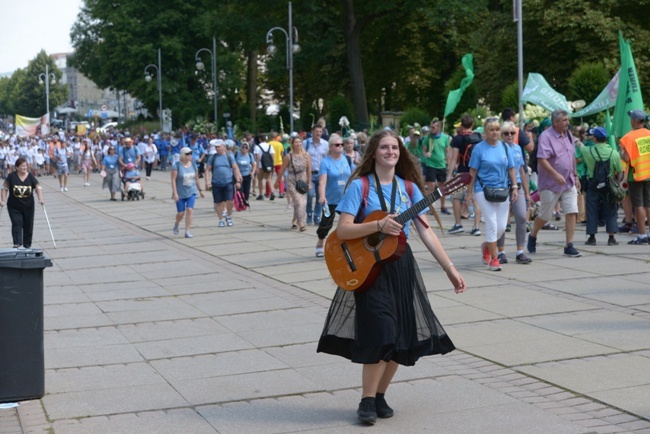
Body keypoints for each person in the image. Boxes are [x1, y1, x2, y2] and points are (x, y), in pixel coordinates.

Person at [317, 129, 466, 425]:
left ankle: (380, 395)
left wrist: (450, 268)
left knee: (401, 337)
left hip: (400, 265)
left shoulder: (409, 189)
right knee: (381, 333)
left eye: (395, 148)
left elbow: (425, 231)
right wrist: (378, 227)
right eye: (384, 147)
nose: (390, 152)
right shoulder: (359, 187)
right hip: (369, 269)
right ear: (374, 153)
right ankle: (366, 400)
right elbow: (343, 231)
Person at [465, 117, 519, 271]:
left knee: (502, 226)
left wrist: (514, 187)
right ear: (485, 132)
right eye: (491, 130)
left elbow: (511, 169)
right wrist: (469, 192)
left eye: (497, 130)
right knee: (492, 223)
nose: (495, 132)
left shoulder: (505, 147)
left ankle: (487, 246)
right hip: (482, 189)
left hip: (502, 190)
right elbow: (473, 171)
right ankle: (494, 260)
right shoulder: (479, 149)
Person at [527, 109, 582, 257]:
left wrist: (575, 176)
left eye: (567, 120)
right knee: (545, 215)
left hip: (568, 181)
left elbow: (572, 156)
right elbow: (542, 160)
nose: (567, 123)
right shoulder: (546, 136)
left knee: (572, 212)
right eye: (564, 120)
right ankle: (533, 234)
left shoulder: (568, 135)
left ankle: (569, 245)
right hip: (550, 183)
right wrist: (555, 174)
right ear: (555, 122)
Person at [495, 121, 532, 264]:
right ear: (501, 135)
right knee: (503, 222)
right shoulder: (498, 148)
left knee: (522, 217)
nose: (510, 136)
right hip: (503, 187)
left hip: (517, 187)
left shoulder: (517, 148)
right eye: (506, 133)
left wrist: (527, 192)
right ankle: (501, 252)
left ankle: (520, 251)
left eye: (512, 133)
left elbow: (522, 171)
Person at [581, 127, 622, 246]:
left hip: (593, 184)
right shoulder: (613, 153)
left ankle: (592, 238)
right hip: (608, 186)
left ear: (594, 138)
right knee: (611, 210)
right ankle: (611, 238)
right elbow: (619, 171)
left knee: (592, 210)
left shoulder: (588, 151)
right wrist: (616, 184)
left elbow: (580, 147)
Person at [314, 134, 352, 257]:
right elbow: (322, 181)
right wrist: (322, 196)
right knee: (326, 223)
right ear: (331, 147)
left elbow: (351, 178)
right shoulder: (326, 162)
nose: (340, 147)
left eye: (342, 144)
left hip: (345, 198)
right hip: (330, 198)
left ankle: (348, 247)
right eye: (337, 145)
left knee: (350, 223)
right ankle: (320, 243)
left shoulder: (346, 159)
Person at [446, 114, 483, 235]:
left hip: (462, 172)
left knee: (456, 198)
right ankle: (476, 227)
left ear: (461, 125)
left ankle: (458, 224)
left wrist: (449, 175)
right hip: (477, 172)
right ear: (472, 125)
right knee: (476, 198)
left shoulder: (457, 139)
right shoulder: (478, 138)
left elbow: (453, 158)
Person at [619, 109, 650, 244]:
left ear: (634, 121)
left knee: (639, 206)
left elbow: (625, 158)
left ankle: (642, 236)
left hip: (636, 175)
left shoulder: (627, 138)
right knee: (649, 205)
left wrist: (621, 153)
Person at [0, 158, 45, 248]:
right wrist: (3, 200)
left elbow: (38, 188)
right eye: (22, 166)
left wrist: (41, 199)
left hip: (28, 206)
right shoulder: (11, 176)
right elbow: (4, 188)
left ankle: (27, 245)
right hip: (14, 206)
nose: (25, 167)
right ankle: (17, 243)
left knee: (28, 225)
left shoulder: (30, 176)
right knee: (17, 223)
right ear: (17, 167)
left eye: (26, 165)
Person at [275, 136, 311, 231]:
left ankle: (295, 220)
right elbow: (282, 170)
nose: (298, 144)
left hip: (302, 180)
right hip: (292, 180)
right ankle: (301, 223)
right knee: (298, 201)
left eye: (299, 142)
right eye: (296, 142)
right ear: (292, 144)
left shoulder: (306, 155)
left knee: (302, 202)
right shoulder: (288, 157)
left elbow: (309, 170)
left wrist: (309, 183)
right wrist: (277, 182)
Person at [205, 139, 243, 227]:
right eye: (216, 147)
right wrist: (207, 182)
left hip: (228, 182)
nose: (217, 149)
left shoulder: (229, 156)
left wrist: (238, 180)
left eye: (218, 147)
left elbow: (235, 168)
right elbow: (207, 170)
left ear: (223, 147)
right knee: (219, 203)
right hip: (216, 183)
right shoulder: (213, 158)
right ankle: (220, 219)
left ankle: (228, 216)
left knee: (230, 201)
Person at [420, 118, 451, 214]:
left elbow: (448, 151)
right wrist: (426, 154)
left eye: (433, 127)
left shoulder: (445, 138)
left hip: (441, 165)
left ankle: (443, 206)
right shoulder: (428, 138)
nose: (431, 129)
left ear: (438, 127)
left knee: (442, 187)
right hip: (431, 165)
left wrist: (449, 164)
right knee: (431, 186)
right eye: (431, 127)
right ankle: (430, 207)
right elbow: (424, 150)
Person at [171, 147, 204, 238]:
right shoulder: (177, 166)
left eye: (190, 154)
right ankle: (177, 223)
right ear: (182, 155)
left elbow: (196, 179)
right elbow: (173, 180)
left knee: (189, 210)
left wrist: (200, 190)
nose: (190, 155)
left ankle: (187, 230)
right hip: (180, 192)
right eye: (187, 154)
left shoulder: (193, 165)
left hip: (192, 191)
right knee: (181, 213)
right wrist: (175, 193)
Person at [304, 124, 329, 224]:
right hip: (309, 173)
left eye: (320, 132)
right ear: (312, 131)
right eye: (316, 131)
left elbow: (328, 158)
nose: (318, 133)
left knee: (320, 197)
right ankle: (309, 213)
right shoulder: (305, 143)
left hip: (322, 174)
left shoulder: (325, 144)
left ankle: (317, 216)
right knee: (310, 195)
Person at [253, 134, 275, 200]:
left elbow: (257, 157)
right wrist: (272, 165)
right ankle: (272, 192)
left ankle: (260, 194)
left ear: (260, 139)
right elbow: (273, 156)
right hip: (268, 165)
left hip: (261, 165)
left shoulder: (257, 147)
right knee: (269, 179)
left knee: (260, 179)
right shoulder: (270, 146)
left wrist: (256, 166)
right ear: (266, 139)